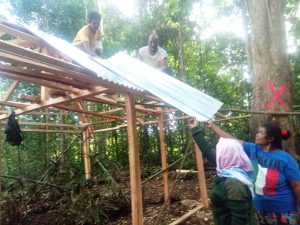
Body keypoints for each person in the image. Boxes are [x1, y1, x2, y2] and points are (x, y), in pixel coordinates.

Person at [205, 121, 300, 225]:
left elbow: (297, 186)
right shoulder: (253, 149)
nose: (256, 134)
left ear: (270, 139)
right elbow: (232, 140)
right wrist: (213, 127)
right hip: (259, 209)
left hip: (284, 211)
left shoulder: (286, 159)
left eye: (260, 132)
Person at [189, 119, 257, 225]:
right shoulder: (234, 171)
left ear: (224, 155)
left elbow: (239, 221)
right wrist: (195, 129)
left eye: (220, 151)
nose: (217, 154)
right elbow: (207, 151)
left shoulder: (234, 185)